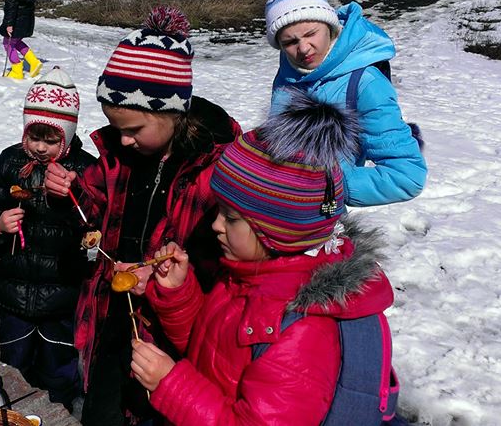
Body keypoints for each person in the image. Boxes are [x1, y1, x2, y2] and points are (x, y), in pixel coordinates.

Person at [130, 90, 398, 425]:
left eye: (231, 218)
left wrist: (171, 385)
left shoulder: (303, 332)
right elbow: (214, 351)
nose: (215, 225)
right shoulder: (250, 276)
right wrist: (178, 294)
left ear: (278, 231)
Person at [44, 7, 241, 425]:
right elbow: (96, 204)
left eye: (134, 129)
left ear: (173, 113)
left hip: (176, 326)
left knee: (155, 411)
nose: (124, 140)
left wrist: (171, 280)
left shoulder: (215, 169)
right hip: (115, 310)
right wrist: (71, 192)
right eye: (116, 128)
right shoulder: (122, 153)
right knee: (104, 408)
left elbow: (226, 254)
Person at [0, 67, 96, 412]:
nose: (40, 148)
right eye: (34, 137)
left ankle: (58, 409)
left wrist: (73, 200)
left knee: (59, 363)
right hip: (14, 284)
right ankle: (14, 410)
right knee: (14, 360)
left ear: (68, 136)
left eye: (51, 139)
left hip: (62, 290)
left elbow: (94, 222)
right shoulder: (11, 161)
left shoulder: (84, 170)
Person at [265, 0, 426, 207]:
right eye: (290, 41)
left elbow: (406, 177)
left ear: (329, 27)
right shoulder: (288, 75)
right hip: (275, 211)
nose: (304, 48)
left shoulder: (365, 83)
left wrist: (329, 188)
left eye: (311, 33)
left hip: (320, 224)